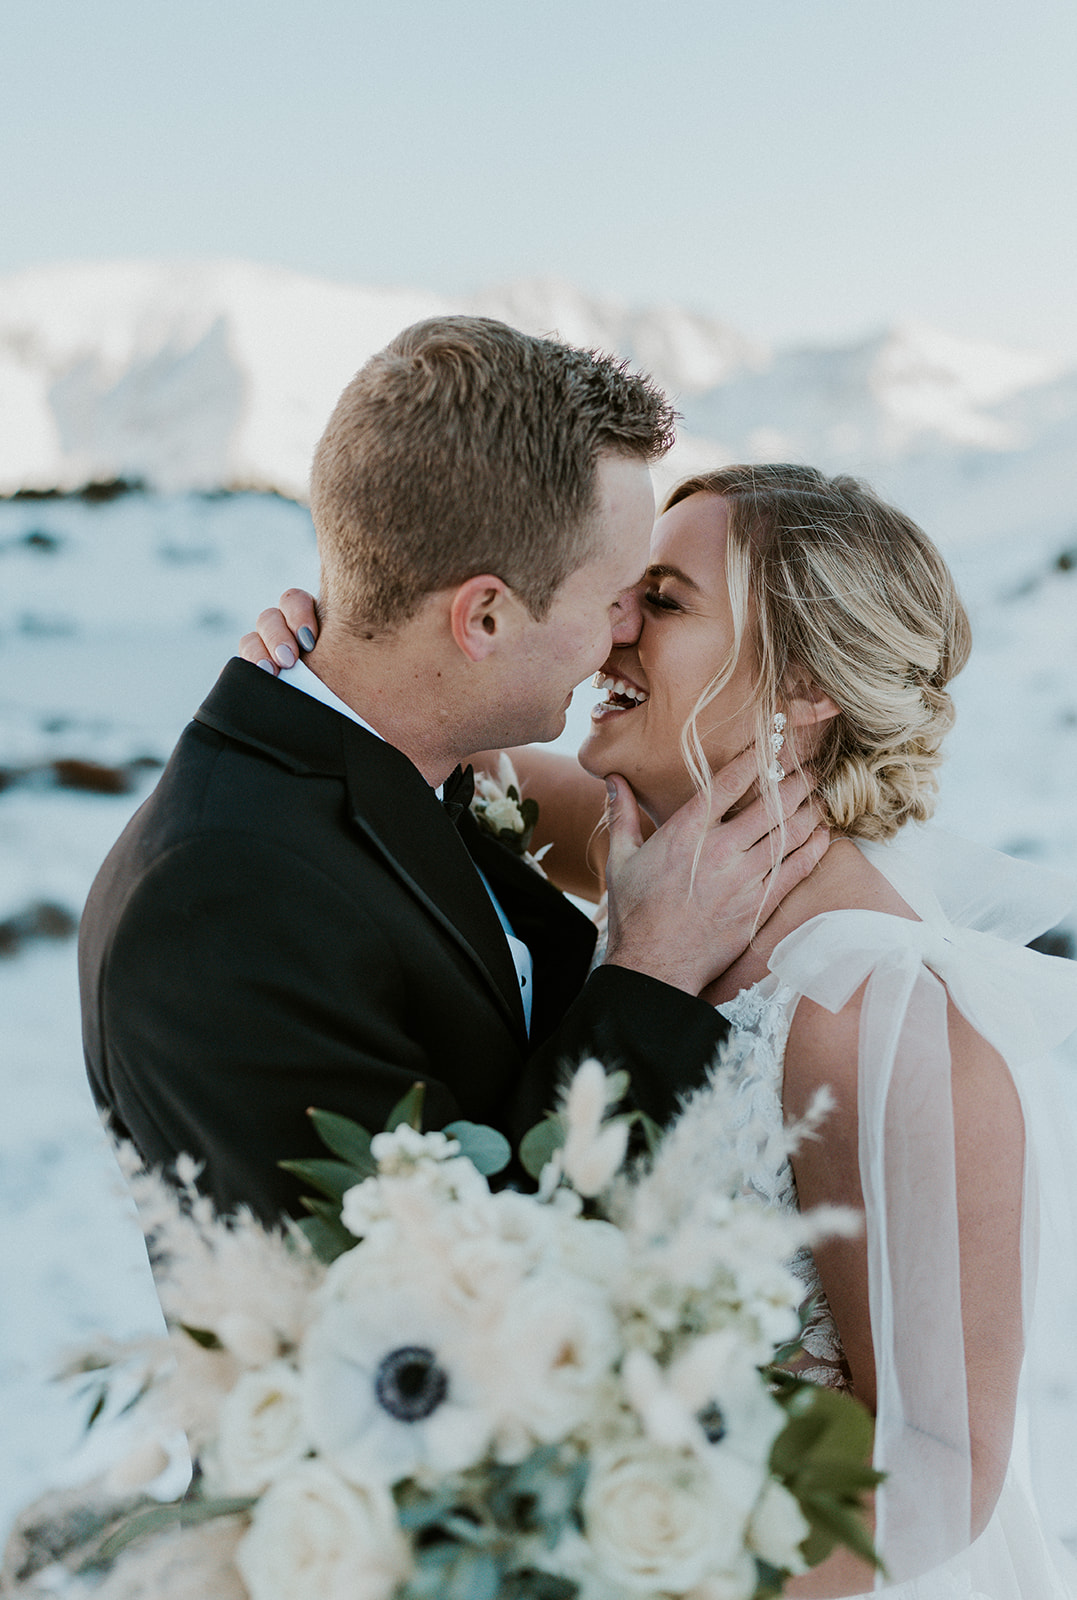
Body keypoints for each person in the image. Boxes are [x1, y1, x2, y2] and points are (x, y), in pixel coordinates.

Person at [254, 462, 1077, 1597]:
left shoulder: (878, 1015)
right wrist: (334, 659)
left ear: (801, 687)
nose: (613, 627)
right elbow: (439, 741)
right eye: (621, 593)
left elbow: (943, 1466)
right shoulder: (658, 837)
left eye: (666, 600)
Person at [79, 319, 829, 1226]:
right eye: (612, 597)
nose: (628, 631)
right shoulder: (223, 896)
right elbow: (447, 1309)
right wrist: (652, 971)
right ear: (483, 620)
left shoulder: (402, 757)